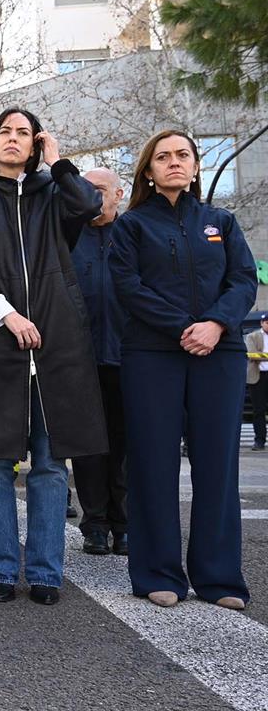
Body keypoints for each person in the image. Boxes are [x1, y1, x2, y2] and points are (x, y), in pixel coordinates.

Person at [0, 108, 105, 606]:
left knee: (52, 466)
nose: (13, 140)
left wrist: (57, 162)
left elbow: (90, 206)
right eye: (4, 133)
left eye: (23, 134)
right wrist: (7, 316)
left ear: (35, 146)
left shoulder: (54, 196)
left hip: (57, 348)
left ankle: (46, 572)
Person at [109, 130, 257, 611]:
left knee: (218, 464)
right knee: (153, 463)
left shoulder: (222, 222)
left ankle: (219, 578)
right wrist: (184, 328)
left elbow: (242, 282)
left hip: (221, 352)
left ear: (195, 166)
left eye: (183, 155)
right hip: (153, 354)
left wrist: (215, 324)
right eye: (163, 157)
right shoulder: (131, 226)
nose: (174, 163)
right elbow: (128, 287)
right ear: (148, 171)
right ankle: (158, 572)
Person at [70, 168, 129, 556]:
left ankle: (125, 524)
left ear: (119, 195)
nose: (93, 197)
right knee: (88, 445)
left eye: (101, 191)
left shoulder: (135, 234)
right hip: (81, 357)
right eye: (86, 191)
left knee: (127, 444)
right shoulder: (69, 237)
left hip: (131, 358)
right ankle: (94, 524)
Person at [244, 313, 268, 452]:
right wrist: (261, 355)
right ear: (262, 323)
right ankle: (259, 440)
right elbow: (252, 355)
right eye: (267, 322)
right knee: (258, 410)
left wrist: (261, 355)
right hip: (257, 377)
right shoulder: (252, 336)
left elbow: (258, 355)